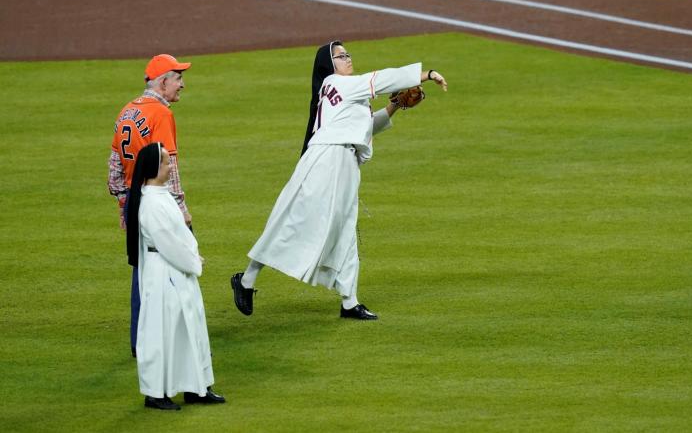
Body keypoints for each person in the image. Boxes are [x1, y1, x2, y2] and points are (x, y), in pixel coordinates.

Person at [231, 40, 447, 320]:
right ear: (328, 65)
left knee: (345, 228)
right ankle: (246, 280)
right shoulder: (337, 82)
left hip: (344, 162)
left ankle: (349, 301)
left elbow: (363, 129)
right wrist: (426, 74)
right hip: (325, 160)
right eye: (340, 56)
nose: (347, 59)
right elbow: (380, 79)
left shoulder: (347, 92)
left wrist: (394, 106)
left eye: (348, 54)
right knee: (294, 220)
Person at [127, 142, 225, 410]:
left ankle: (197, 387)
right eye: (167, 162)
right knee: (162, 331)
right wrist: (193, 261)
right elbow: (166, 241)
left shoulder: (161, 195)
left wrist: (191, 256)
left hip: (176, 270)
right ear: (154, 167)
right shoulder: (151, 202)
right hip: (165, 272)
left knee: (190, 327)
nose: (172, 166)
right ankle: (156, 393)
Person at [108, 53, 193, 357]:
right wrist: (182, 211)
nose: (182, 84)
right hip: (156, 200)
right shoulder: (161, 114)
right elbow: (169, 166)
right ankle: (169, 338)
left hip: (133, 200)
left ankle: (138, 340)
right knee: (170, 265)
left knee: (141, 268)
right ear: (163, 81)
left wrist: (122, 204)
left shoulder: (127, 111)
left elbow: (115, 164)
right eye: (178, 78)